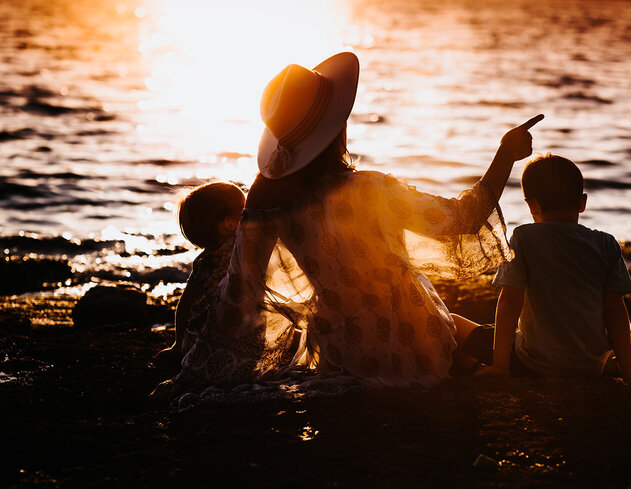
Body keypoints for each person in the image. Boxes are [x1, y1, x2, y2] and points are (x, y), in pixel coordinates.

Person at [151, 51, 542, 400]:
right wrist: (505, 155)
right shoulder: (370, 188)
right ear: (336, 128)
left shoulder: (264, 203)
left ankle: (515, 353)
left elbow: (242, 291)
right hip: (406, 336)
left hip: (339, 349)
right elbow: (463, 220)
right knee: (453, 329)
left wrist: (196, 358)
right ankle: (535, 356)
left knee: (451, 327)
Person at [474, 154, 631, 385]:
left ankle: (477, 368)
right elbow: (615, 310)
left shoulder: (523, 238)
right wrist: (630, 373)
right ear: (582, 202)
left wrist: (500, 365)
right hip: (590, 366)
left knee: (455, 323)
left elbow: (510, 301)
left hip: (535, 363)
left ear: (531, 205)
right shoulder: (606, 243)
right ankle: (617, 368)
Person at [153, 181, 245, 374]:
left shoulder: (204, 261)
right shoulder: (243, 247)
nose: (249, 214)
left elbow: (185, 304)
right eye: (244, 210)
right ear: (229, 222)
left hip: (201, 338)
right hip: (232, 333)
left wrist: (178, 344)